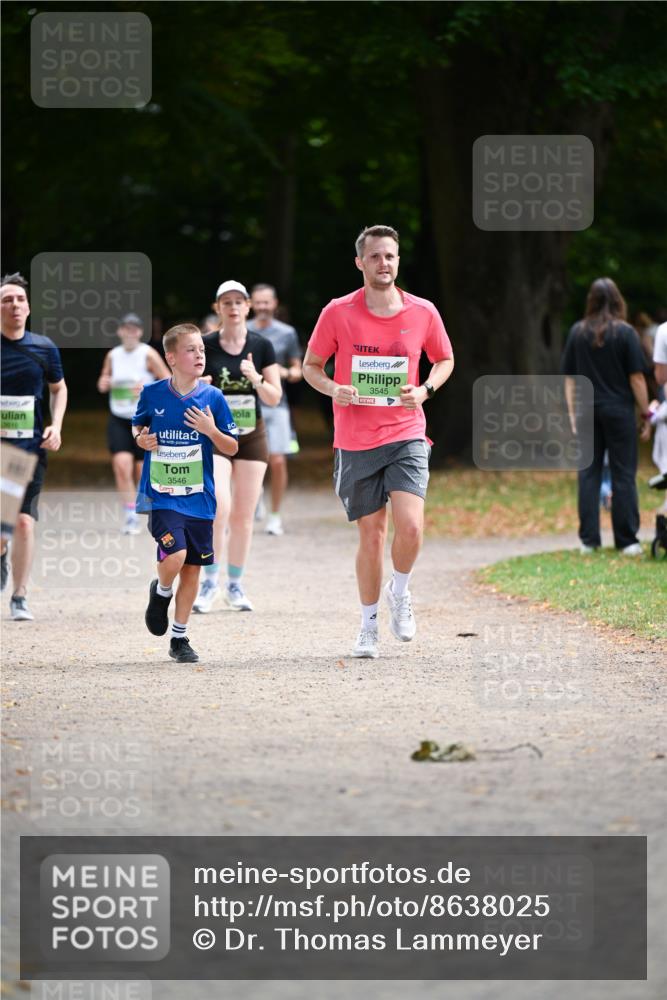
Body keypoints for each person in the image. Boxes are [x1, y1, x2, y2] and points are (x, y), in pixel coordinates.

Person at [303, 225, 454, 658]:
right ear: (360, 263)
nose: (383, 263)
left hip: (406, 430)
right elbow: (313, 365)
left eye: (390, 256)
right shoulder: (338, 312)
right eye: (375, 257)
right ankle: (368, 624)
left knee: (410, 525)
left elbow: (444, 358)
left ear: (398, 260)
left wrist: (425, 389)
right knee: (372, 535)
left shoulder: (423, 311)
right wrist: (333, 388)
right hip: (355, 438)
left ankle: (400, 591)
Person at [133, 323, 238, 663]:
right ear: (172, 357)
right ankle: (161, 591)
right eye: (191, 349)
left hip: (199, 498)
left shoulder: (213, 398)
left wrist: (210, 430)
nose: (199, 355)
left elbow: (233, 446)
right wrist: (141, 440)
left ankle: (179, 638)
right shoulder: (152, 393)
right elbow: (139, 425)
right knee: (174, 555)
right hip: (162, 494)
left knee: (192, 568)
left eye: (202, 350)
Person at [193, 280, 281, 613]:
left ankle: (235, 584)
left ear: (248, 307)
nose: (232, 307)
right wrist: (199, 386)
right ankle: (209, 582)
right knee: (218, 508)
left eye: (238, 302)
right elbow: (183, 387)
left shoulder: (261, 346)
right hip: (215, 435)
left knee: (244, 515)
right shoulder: (204, 345)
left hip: (251, 436)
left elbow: (275, 397)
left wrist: (255, 378)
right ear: (217, 308)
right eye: (225, 302)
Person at [561, 277, 651, 556]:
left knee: (588, 474)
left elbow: (570, 380)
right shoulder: (625, 333)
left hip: (587, 410)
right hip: (619, 410)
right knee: (623, 473)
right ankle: (627, 541)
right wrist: (646, 412)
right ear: (617, 301)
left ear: (591, 300)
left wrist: (573, 415)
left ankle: (589, 540)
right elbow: (636, 377)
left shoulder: (577, 332)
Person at [0, 272, 68, 620]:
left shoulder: (43, 347)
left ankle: (19, 597)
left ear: (28, 308)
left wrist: (55, 425)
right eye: (7, 300)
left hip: (29, 449)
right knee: (2, 527)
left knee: (24, 522)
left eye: (20, 300)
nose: (14, 305)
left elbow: (59, 389)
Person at [97, 313, 169, 534]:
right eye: (126, 328)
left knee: (141, 470)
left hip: (144, 421)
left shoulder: (148, 354)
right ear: (119, 331)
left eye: (134, 329)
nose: (130, 333)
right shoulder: (113, 355)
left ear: (140, 332)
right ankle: (130, 516)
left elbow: (168, 381)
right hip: (118, 418)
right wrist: (104, 383)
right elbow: (103, 382)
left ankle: (145, 508)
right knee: (121, 466)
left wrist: (147, 389)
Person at [247, 284, 303, 535]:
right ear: (251, 304)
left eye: (266, 303)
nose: (262, 307)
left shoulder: (287, 333)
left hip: (277, 404)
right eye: (257, 303)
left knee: (278, 461)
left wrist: (284, 372)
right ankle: (252, 499)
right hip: (245, 404)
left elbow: (298, 370)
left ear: (274, 304)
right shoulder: (242, 330)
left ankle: (275, 515)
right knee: (243, 460)